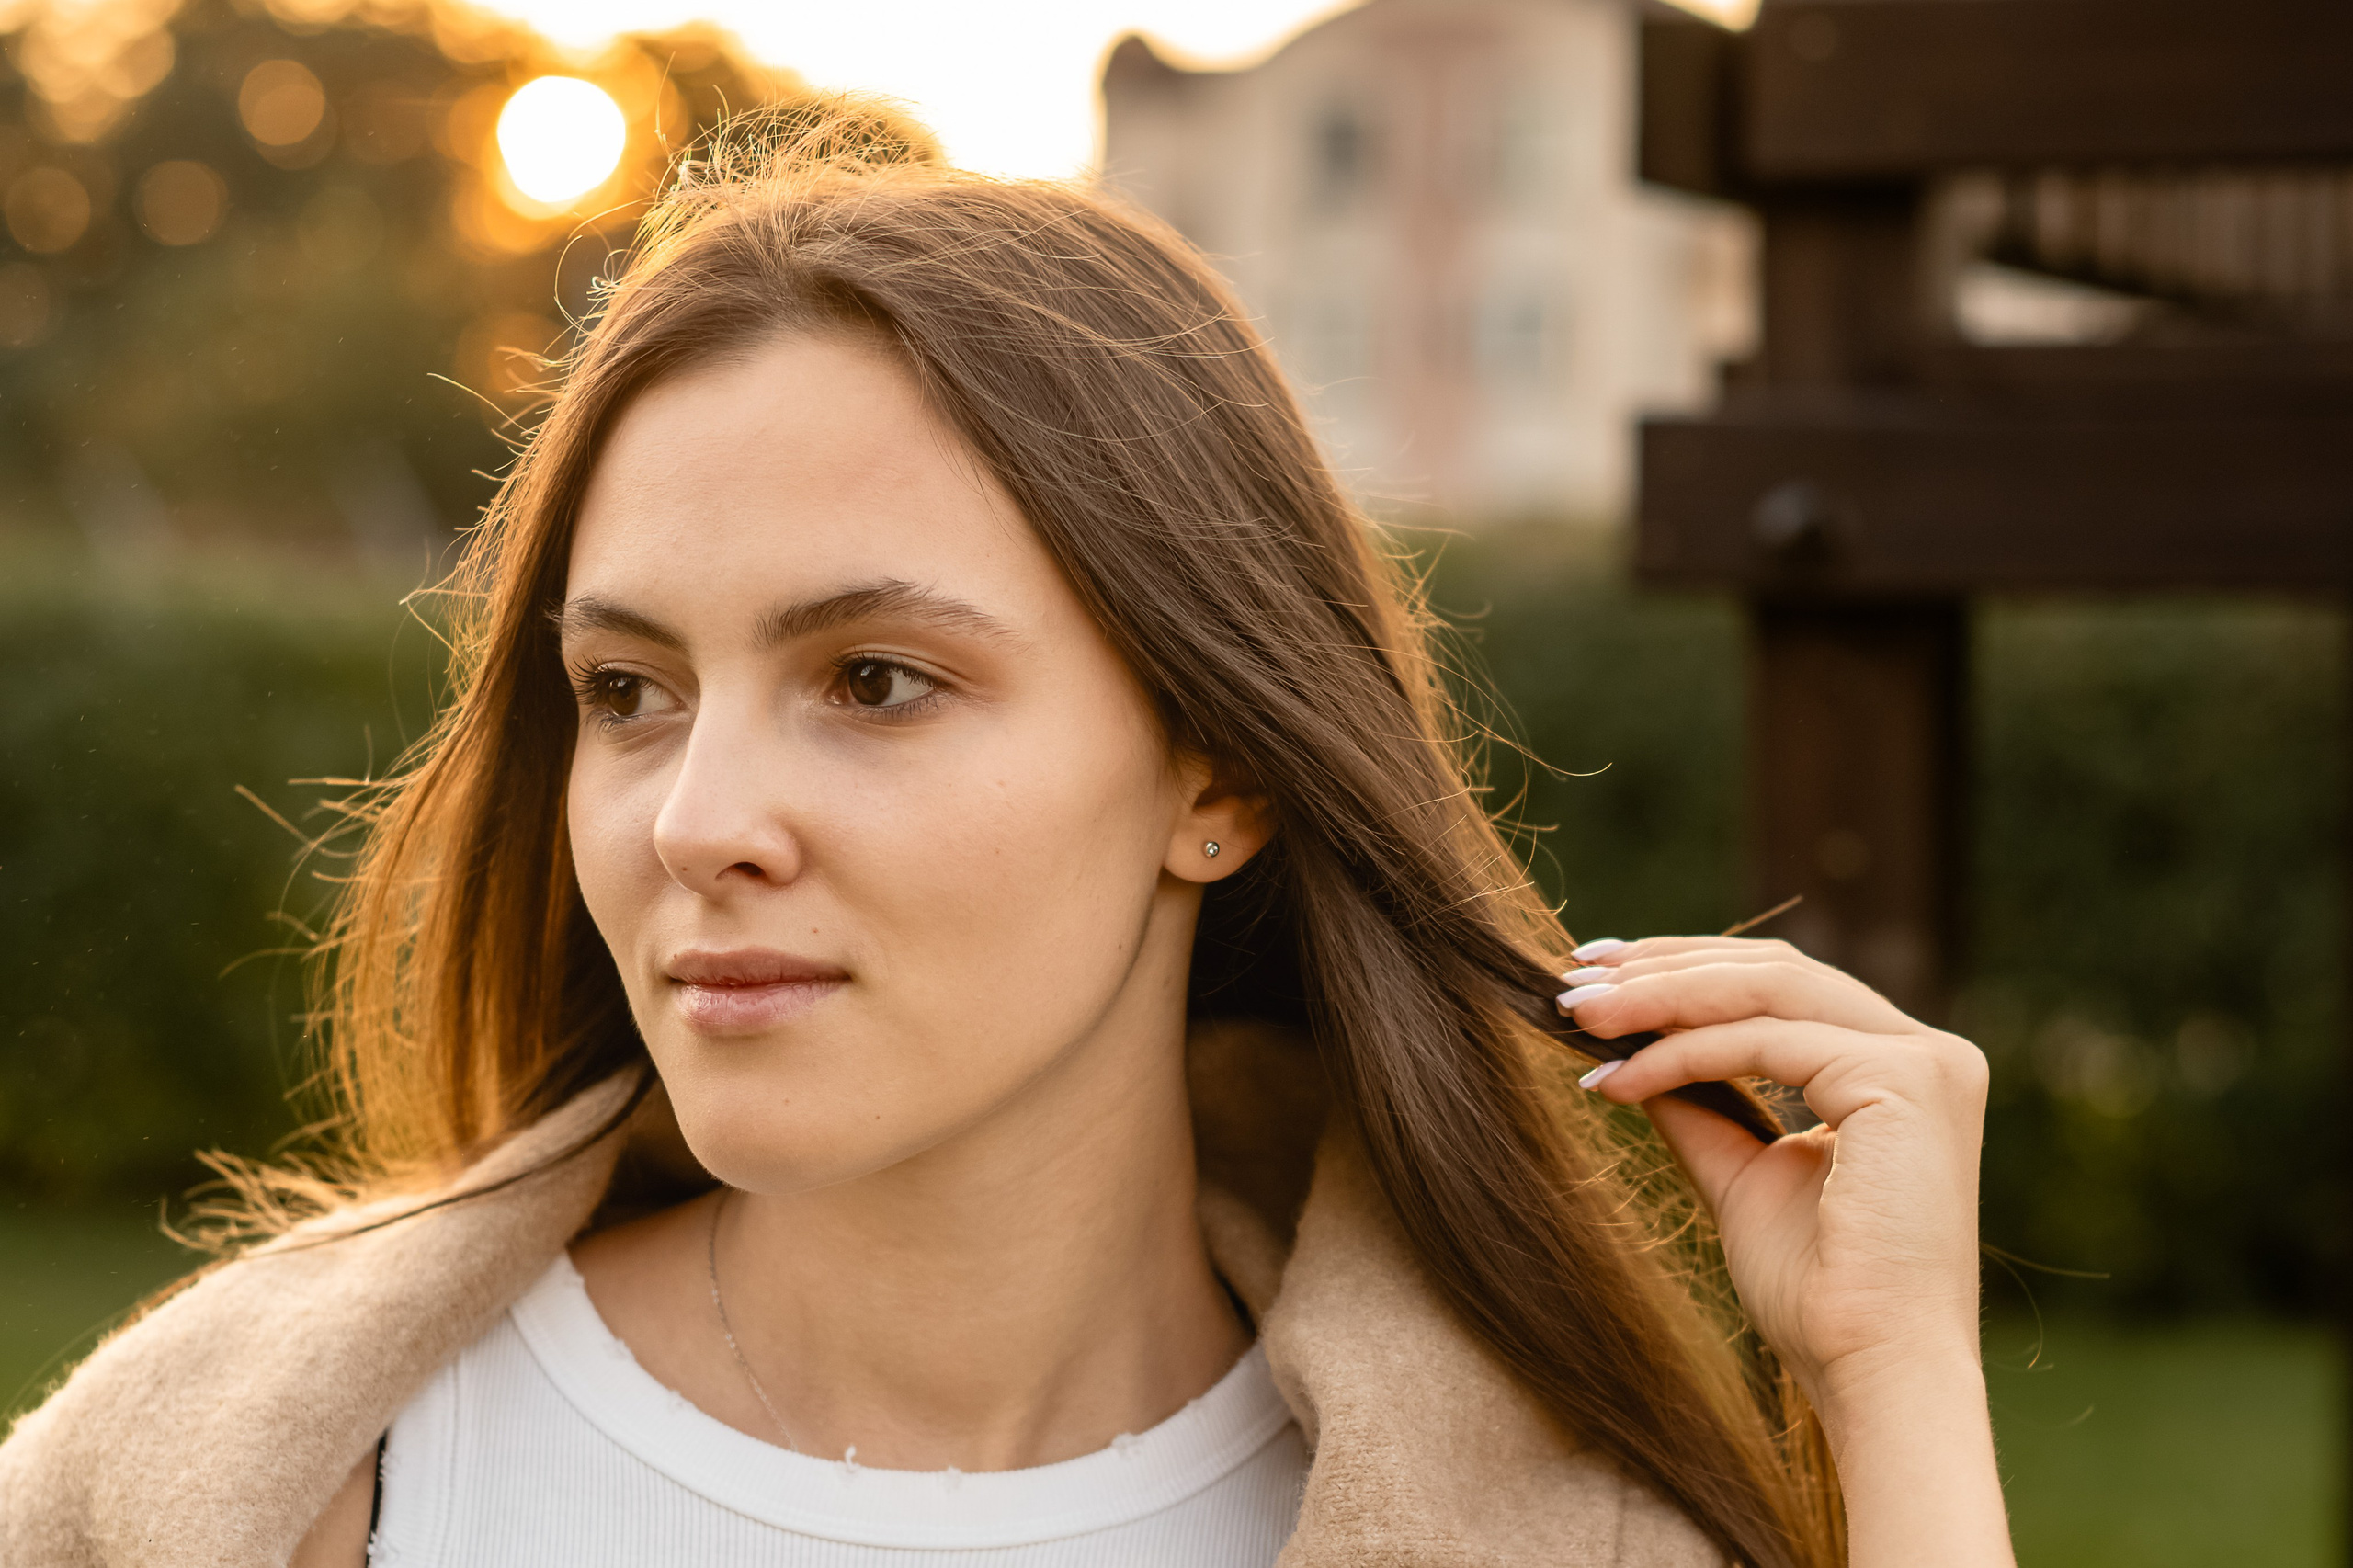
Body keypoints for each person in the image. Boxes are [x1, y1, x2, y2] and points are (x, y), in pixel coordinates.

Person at [0, 104, 2013, 1568]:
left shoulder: (1558, 1541)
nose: (695, 822)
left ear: (1217, 768)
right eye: (627, 692)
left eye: (872, 679)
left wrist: (1893, 1381)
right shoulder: (246, 1476)